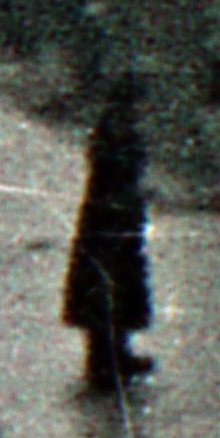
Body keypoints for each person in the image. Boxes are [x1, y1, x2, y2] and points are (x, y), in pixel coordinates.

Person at [58, 81, 156, 395]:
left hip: (112, 216)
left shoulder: (114, 126)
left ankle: (114, 355)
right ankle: (105, 360)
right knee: (110, 282)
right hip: (111, 216)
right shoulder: (117, 129)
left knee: (116, 282)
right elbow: (119, 168)